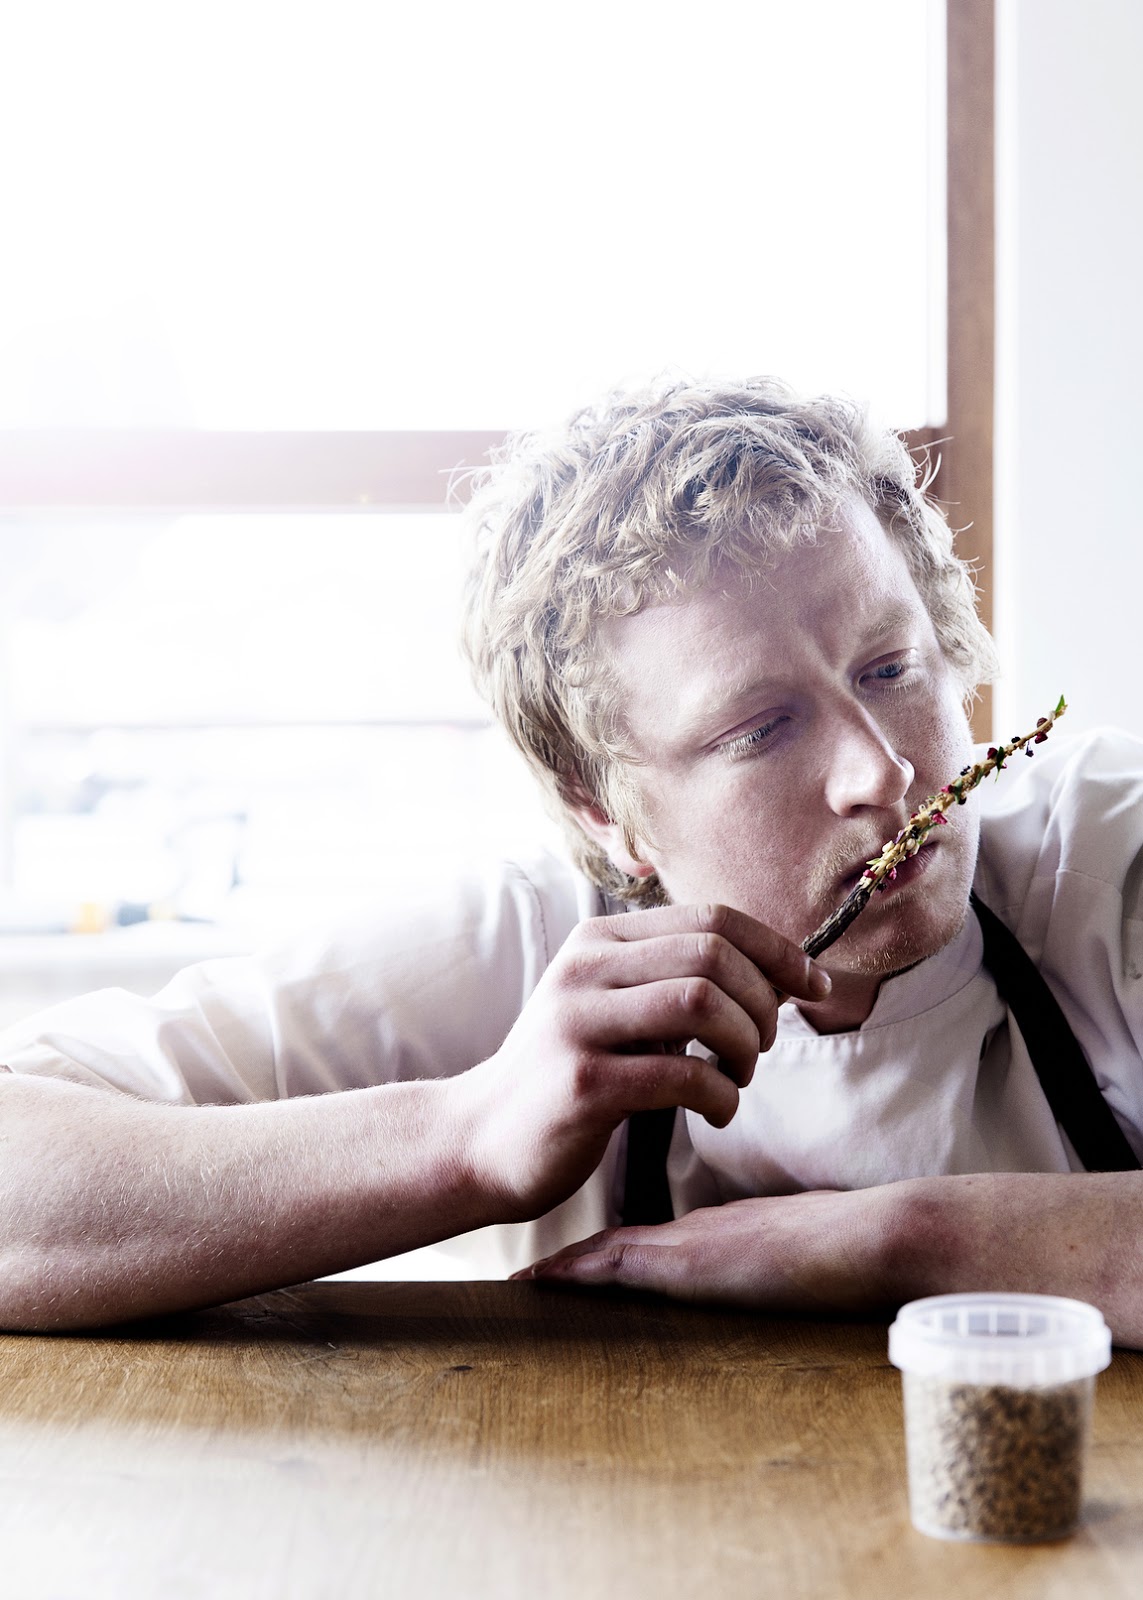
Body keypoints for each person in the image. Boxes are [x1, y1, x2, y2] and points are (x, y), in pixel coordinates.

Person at [3, 374, 1143, 1339]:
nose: (879, 774)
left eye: (890, 669)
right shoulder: (534, 949)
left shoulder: (1105, 867)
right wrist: (465, 1138)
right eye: (759, 730)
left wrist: (910, 1237)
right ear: (602, 808)